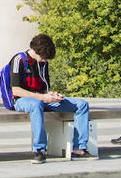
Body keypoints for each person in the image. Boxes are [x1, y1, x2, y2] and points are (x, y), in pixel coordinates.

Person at [6, 34, 91, 163]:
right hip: (23, 100)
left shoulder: (44, 63)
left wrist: (52, 95)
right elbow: (16, 90)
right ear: (35, 51)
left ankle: (79, 148)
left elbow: (45, 88)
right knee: (36, 105)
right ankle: (39, 150)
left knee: (82, 104)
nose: (44, 61)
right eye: (43, 57)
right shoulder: (19, 60)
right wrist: (41, 97)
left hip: (43, 98)